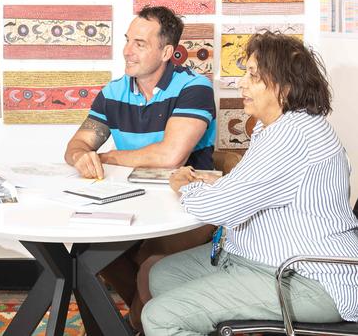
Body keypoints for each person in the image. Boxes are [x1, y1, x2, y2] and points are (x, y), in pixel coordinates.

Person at [142, 32, 358, 335]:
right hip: (258, 259)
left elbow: (220, 209)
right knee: (165, 275)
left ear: (286, 87)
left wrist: (184, 185)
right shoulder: (282, 128)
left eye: (253, 76)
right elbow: (255, 187)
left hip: (305, 276)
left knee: (161, 316)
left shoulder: (292, 137)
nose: (241, 83)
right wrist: (213, 183)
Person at [64, 6, 216, 331]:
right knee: (87, 252)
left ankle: (136, 324)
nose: (127, 51)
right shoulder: (113, 92)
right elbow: (76, 145)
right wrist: (80, 156)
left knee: (151, 265)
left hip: (189, 208)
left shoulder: (194, 88)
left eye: (140, 44)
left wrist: (104, 158)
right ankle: (138, 323)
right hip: (132, 201)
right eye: (127, 40)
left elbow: (169, 156)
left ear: (166, 52)